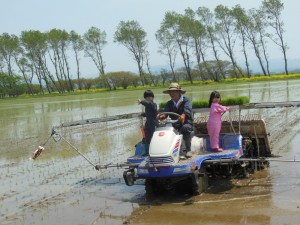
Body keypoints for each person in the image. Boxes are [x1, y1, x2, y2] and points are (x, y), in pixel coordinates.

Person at [157, 83, 194, 158]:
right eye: (170, 92)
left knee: (185, 128)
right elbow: (165, 113)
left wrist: (183, 115)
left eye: (174, 92)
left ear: (179, 92)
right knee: (165, 130)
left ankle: (188, 150)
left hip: (187, 122)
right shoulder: (169, 103)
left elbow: (187, 110)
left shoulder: (186, 100)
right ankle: (168, 151)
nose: (172, 94)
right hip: (175, 124)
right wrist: (161, 116)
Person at [138, 90, 158, 155]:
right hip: (148, 123)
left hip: (153, 123)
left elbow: (149, 104)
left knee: (154, 137)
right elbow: (149, 113)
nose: (148, 99)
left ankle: (155, 151)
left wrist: (142, 101)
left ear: (153, 98)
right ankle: (147, 152)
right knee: (147, 137)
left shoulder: (153, 104)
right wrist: (143, 114)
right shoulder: (147, 106)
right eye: (146, 98)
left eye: (150, 97)